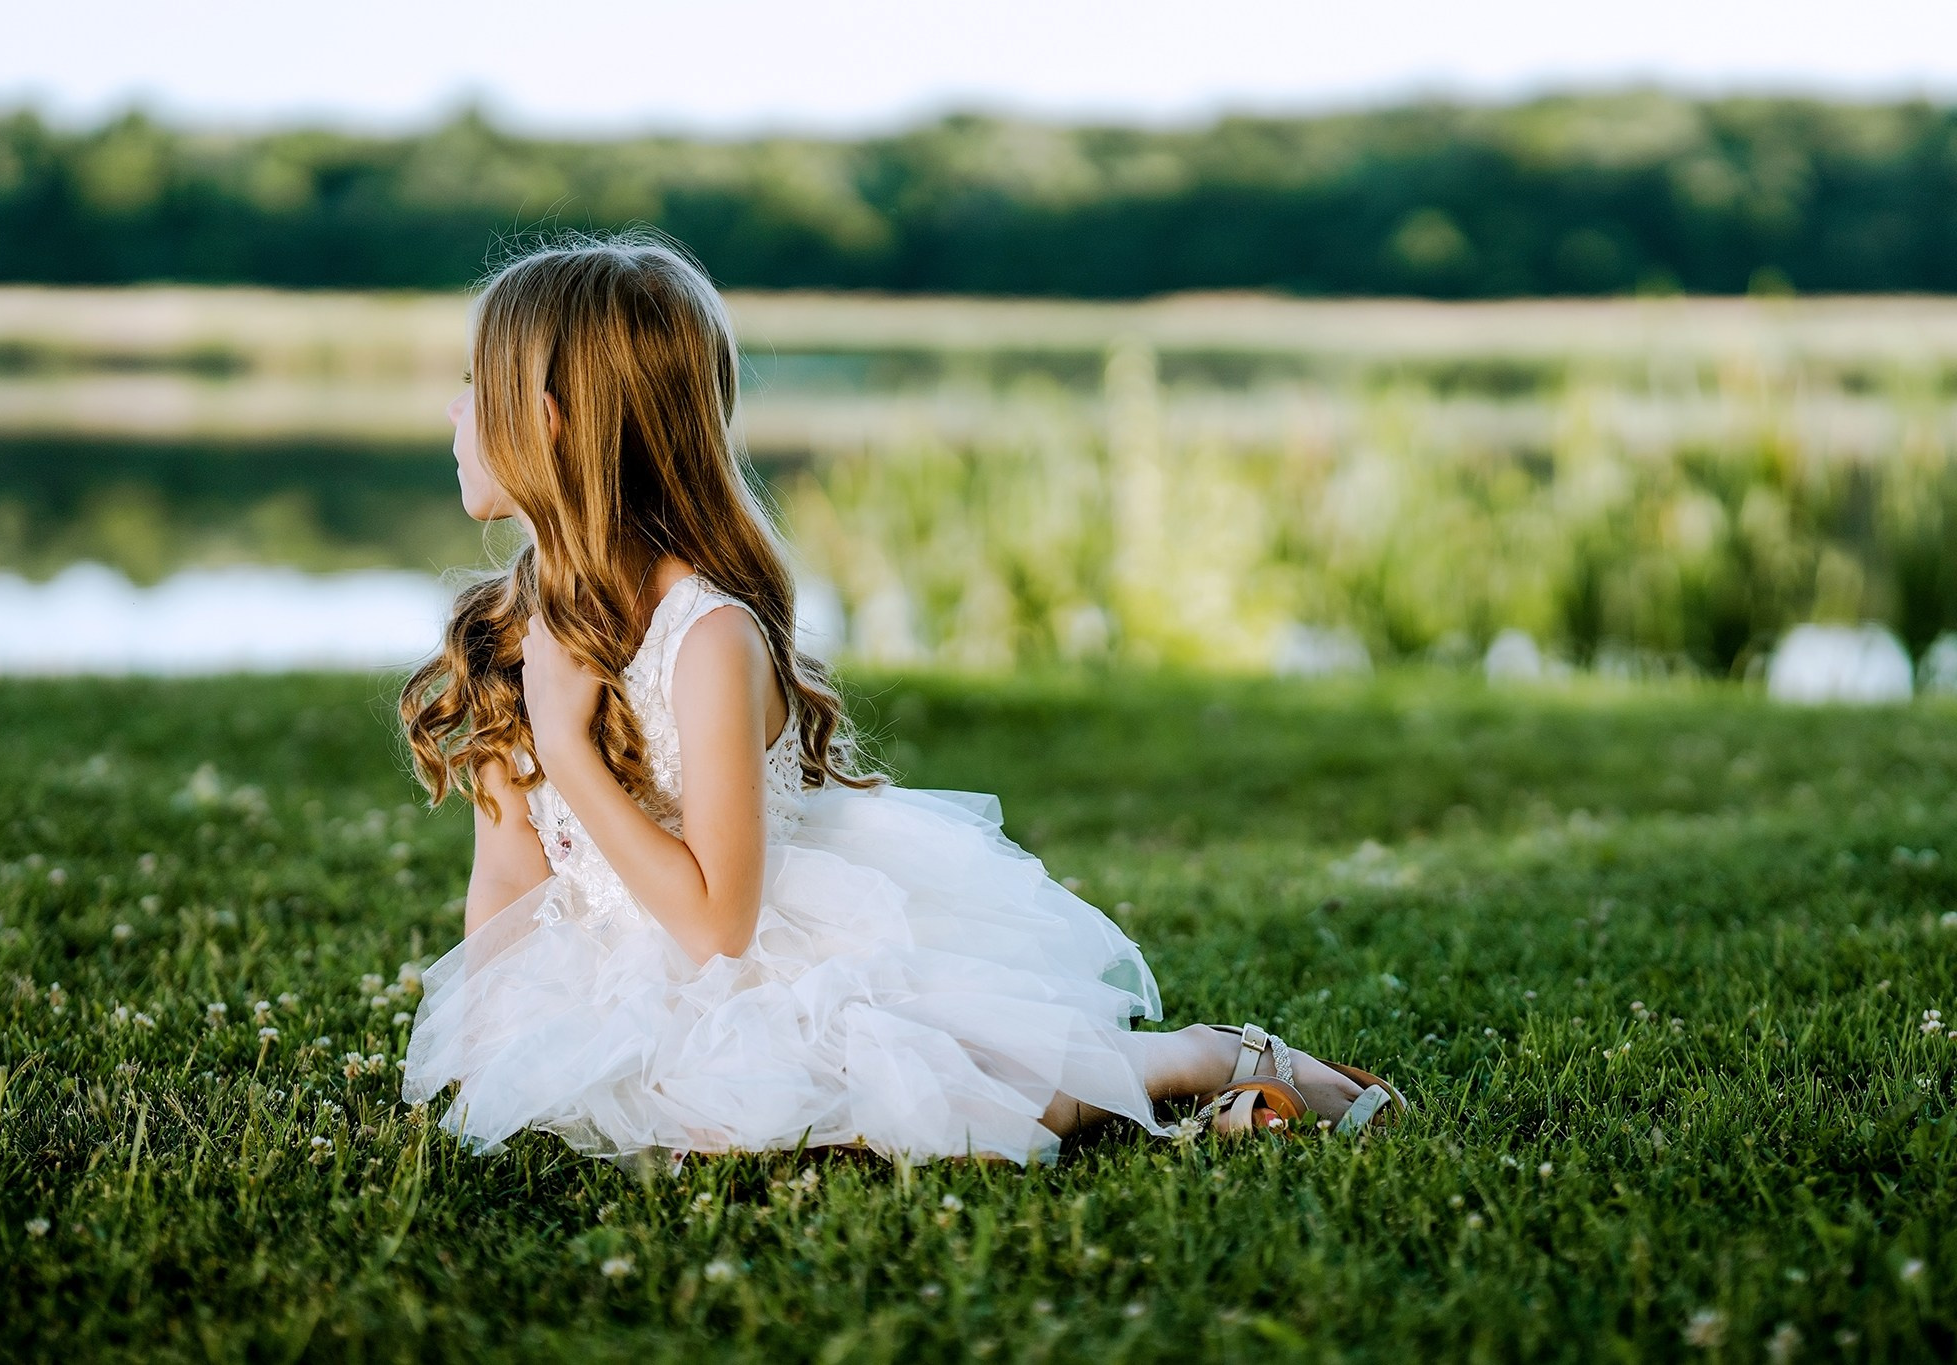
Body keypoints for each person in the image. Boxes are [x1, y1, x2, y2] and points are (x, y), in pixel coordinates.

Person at [398, 234, 1403, 1164]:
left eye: (470, 386)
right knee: (647, 1110)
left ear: (548, 419)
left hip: (758, 957)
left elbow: (716, 930)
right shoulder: (507, 626)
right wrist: (492, 1040)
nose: (452, 412)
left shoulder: (706, 639)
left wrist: (571, 750)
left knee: (900, 1099)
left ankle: (1197, 1059)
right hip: (605, 967)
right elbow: (508, 879)